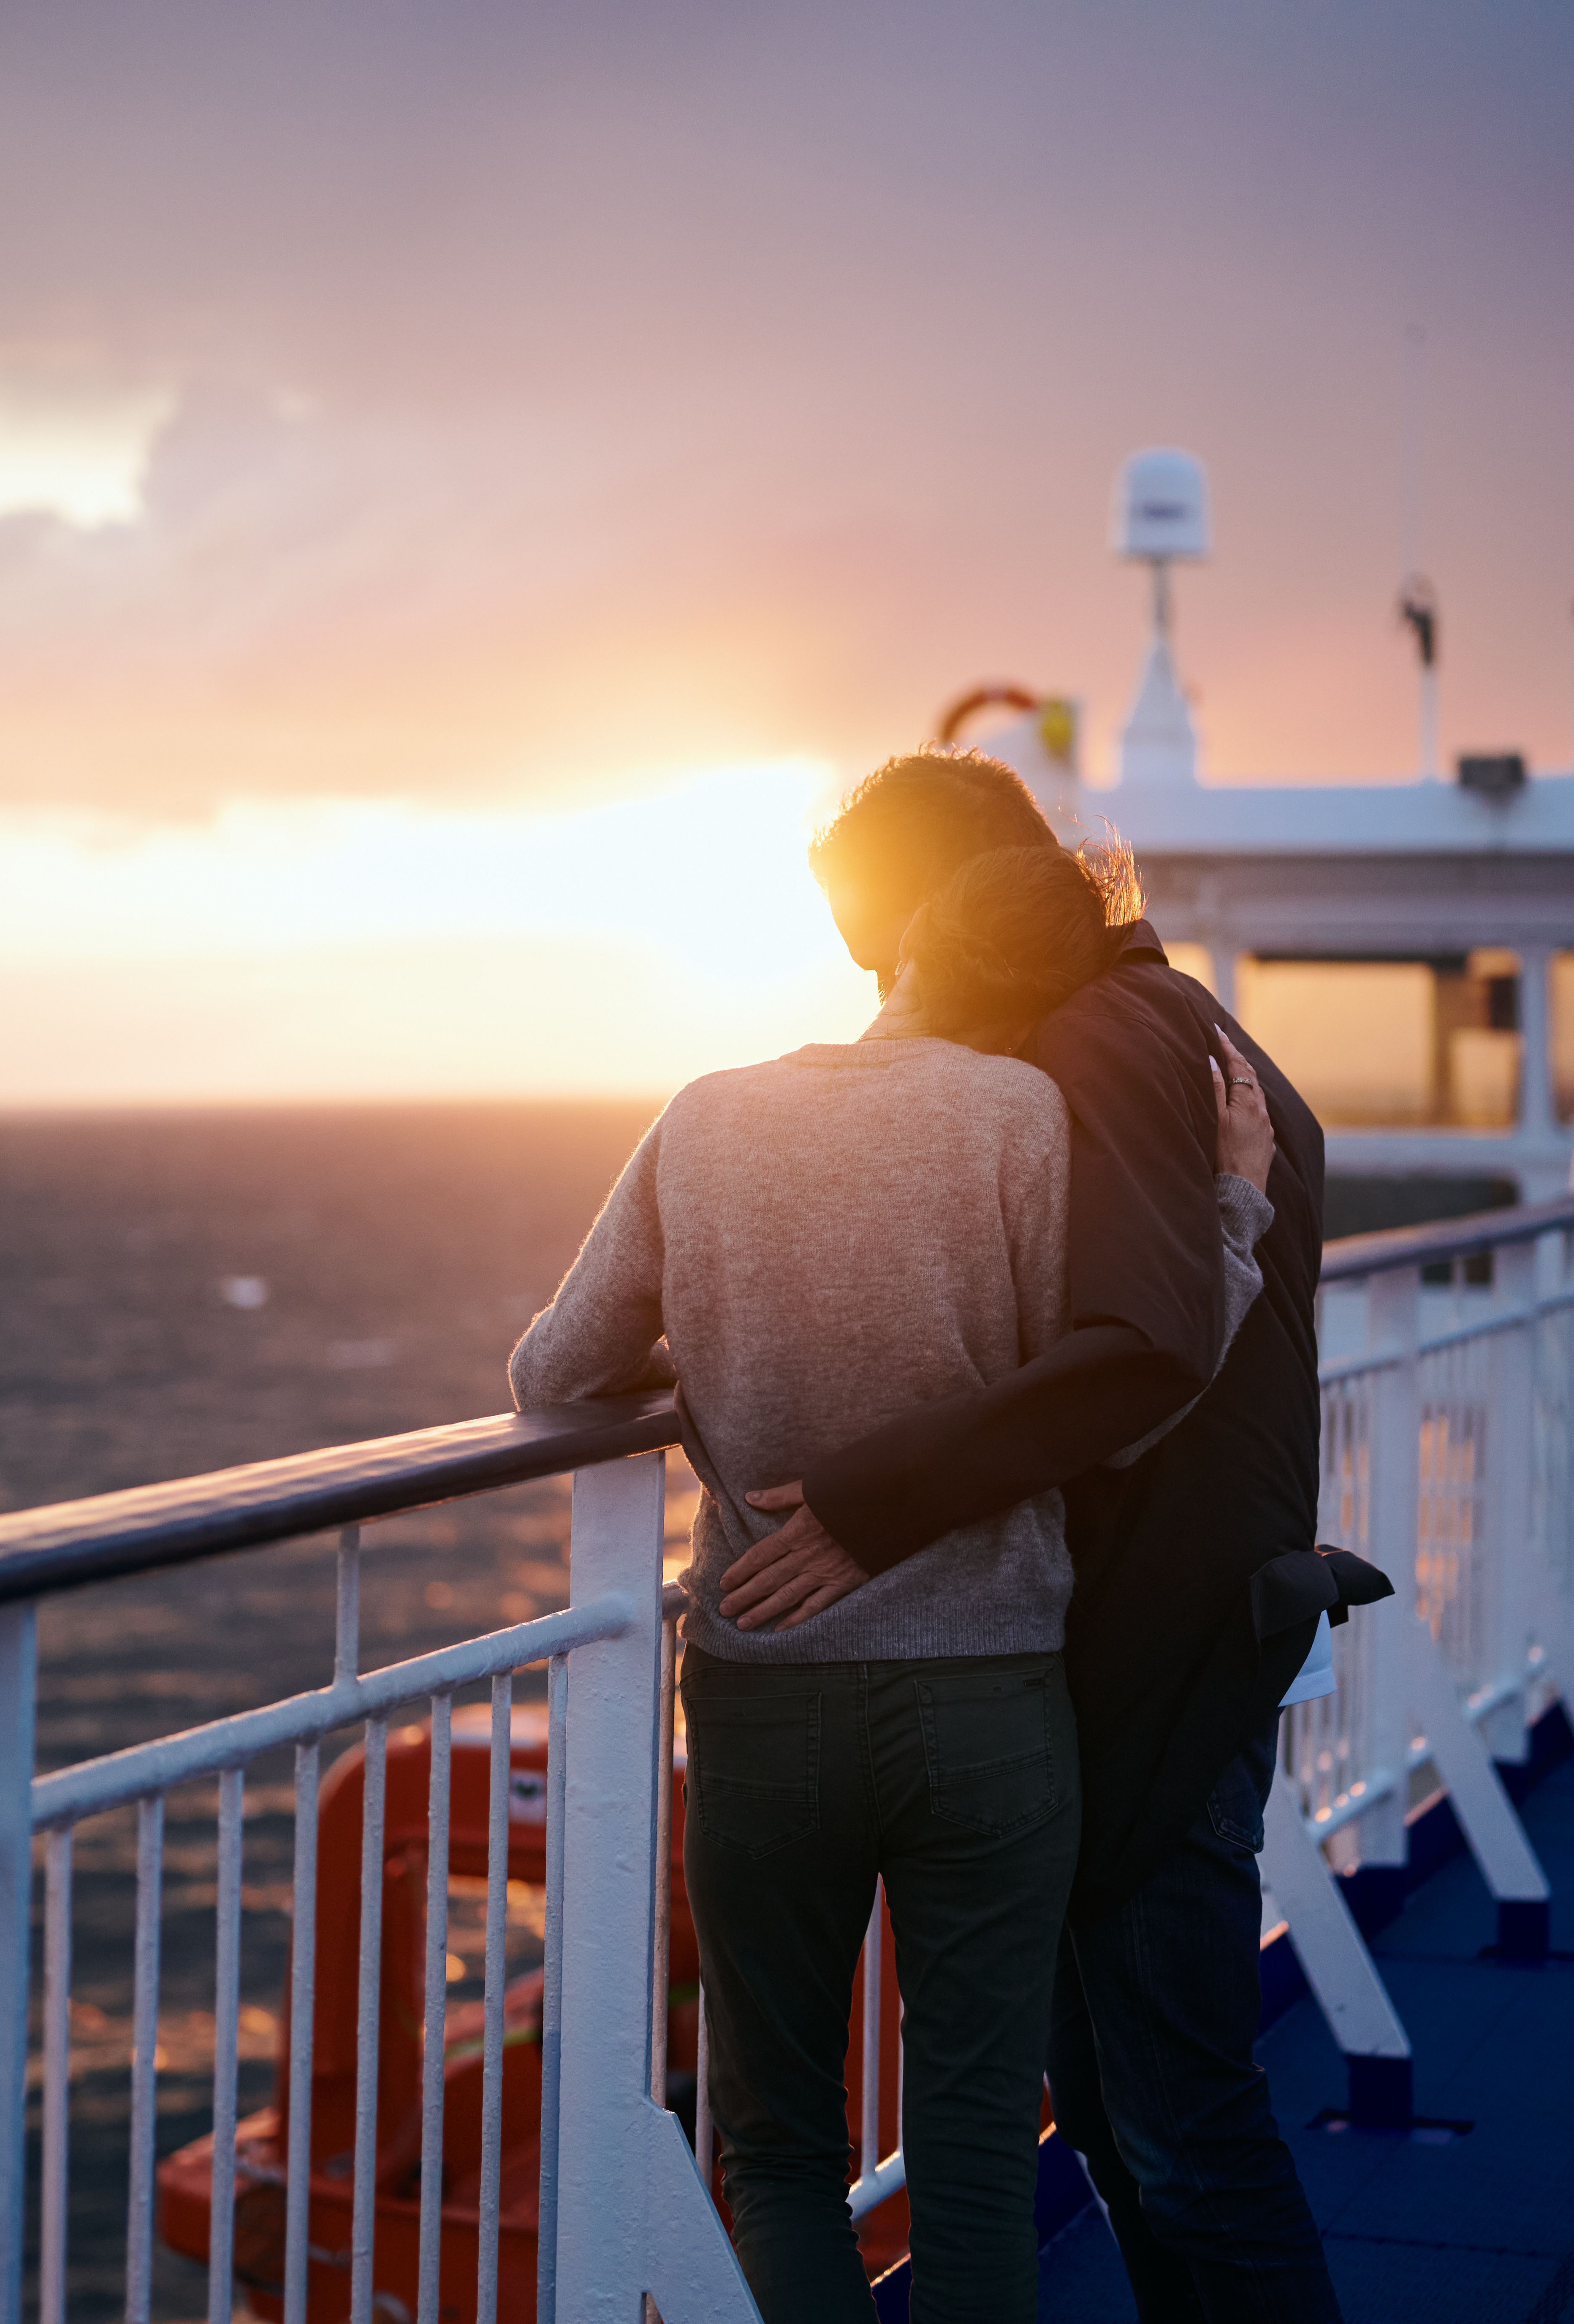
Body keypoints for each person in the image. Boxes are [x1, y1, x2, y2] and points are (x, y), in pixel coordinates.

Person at [509, 842, 1277, 2324]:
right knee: (981, 2154)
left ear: (909, 940)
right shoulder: (1030, 1120)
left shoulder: (707, 1115)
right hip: (989, 1700)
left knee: (781, 2149)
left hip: (765, 1699)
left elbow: (558, 1372)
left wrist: (714, 1361)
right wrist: (1233, 1209)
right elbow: (1134, 1393)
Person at [718, 750, 1352, 2324]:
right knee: (1132, 2128)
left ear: (954, 891)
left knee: (1181, 2128)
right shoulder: (1161, 1018)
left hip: (1161, 1652)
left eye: (876, 929)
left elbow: (1140, 1346)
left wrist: (871, 1505)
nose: (875, 971)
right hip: (1156, 1637)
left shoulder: (1108, 1039)